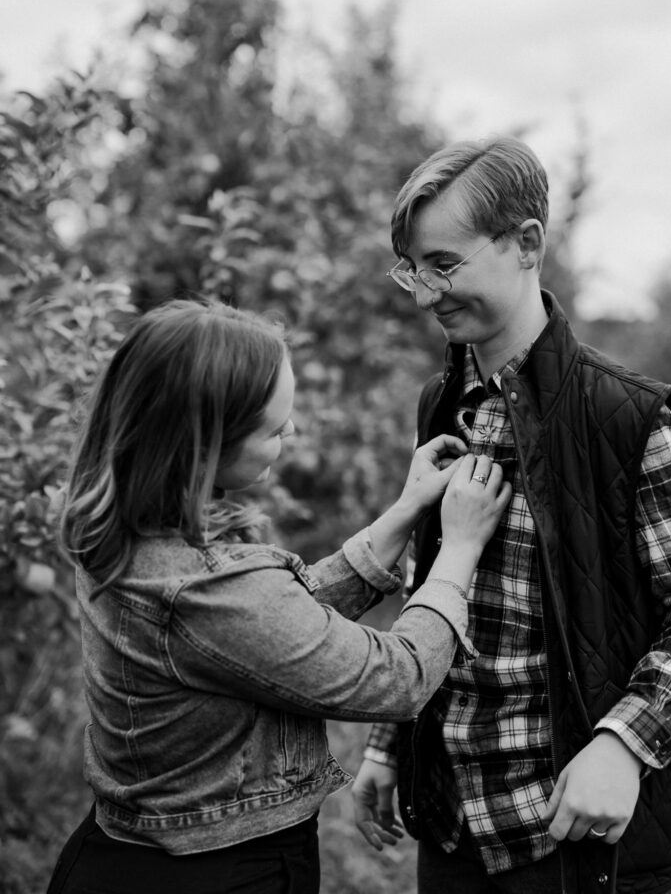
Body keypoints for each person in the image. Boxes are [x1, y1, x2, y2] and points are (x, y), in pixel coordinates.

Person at [46, 298, 511, 894]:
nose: (290, 431)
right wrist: (460, 550)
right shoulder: (202, 582)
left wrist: (404, 512)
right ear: (206, 439)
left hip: (133, 858)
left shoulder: (134, 532)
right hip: (214, 874)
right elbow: (398, 677)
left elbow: (271, 630)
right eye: (273, 426)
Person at [351, 136, 671, 894]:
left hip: (573, 831)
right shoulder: (439, 404)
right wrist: (390, 743)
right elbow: (434, 585)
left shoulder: (629, 420)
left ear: (526, 243)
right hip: (451, 823)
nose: (425, 292)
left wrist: (623, 745)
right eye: (412, 268)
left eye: (444, 263)